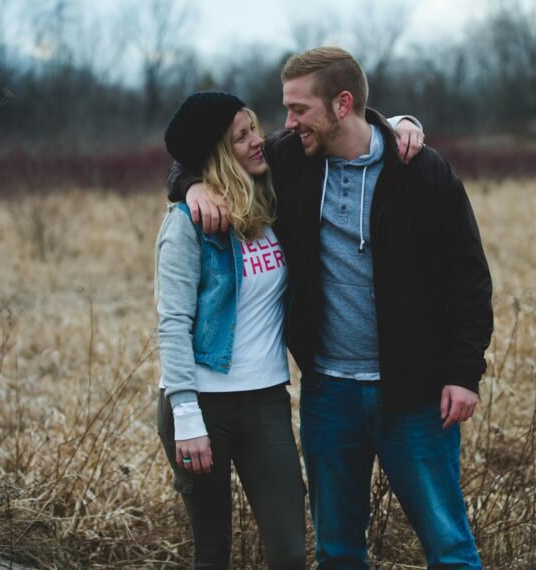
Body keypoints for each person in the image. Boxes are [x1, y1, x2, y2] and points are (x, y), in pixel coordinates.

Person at [170, 47, 493, 569]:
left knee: (450, 548)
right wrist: (192, 186)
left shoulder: (423, 172)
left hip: (414, 395)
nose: (286, 122)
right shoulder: (291, 160)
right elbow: (205, 156)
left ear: (343, 104)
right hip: (329, 396)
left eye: (299, 109)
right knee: (337, 552)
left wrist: (464, 373)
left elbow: (470, 281)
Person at [156, 91, 306, 569]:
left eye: (254, 128)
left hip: (265, 398)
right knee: (213, 551)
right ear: (218, 153)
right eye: (241, 137)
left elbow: (334, 126)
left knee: (289, 551)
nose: (257, 141)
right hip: (200, 402)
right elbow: (173, 324)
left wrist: (403, 123)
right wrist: (186, 416)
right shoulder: (187, 225)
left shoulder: (273, 198)